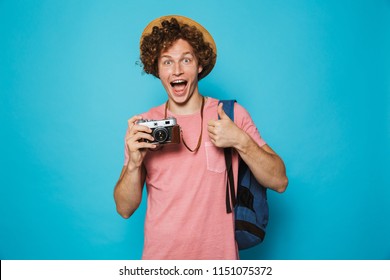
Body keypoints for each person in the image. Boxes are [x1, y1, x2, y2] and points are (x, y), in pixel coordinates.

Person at [114, 15, 288, 260]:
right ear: (157, 69)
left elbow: (279, 181)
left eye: (186, 59)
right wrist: (134, 163)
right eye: (167, 62)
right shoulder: (144, 125)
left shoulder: (230, 115)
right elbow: (124, 208)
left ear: (199, 65)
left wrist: (240, 140)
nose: (176, 70)